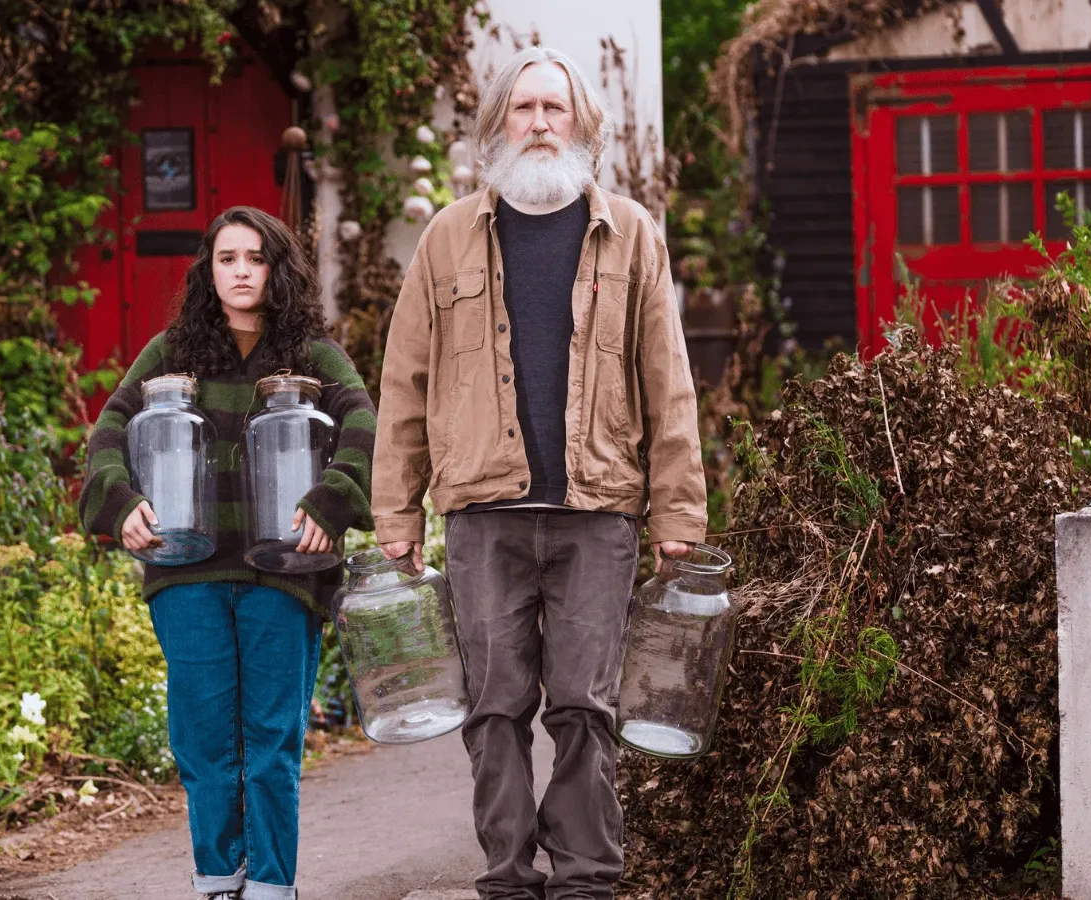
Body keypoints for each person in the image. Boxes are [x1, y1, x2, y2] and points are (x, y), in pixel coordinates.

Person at [371, 46, 707, 900]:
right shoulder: (447, 238)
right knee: (493, 706)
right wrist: (396, 513)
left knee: (587, 707)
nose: (541, 123)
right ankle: (509, 876)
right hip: (483, 512)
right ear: (497, 128)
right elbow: (404, 381)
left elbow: (668, 384)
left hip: (598, 512)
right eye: (523, 109)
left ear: (583, 126)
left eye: (556, 108)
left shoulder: (631, 233)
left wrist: (679, 514)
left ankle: (588, 878)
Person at [78, 206, 375, 900]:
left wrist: (331, 501)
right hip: (187, 571)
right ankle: (218, 879)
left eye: (255, 259)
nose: (241, 272)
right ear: (208, 271)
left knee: (271, 743)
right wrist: (120, 504)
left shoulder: (311, 353)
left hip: (286, 569)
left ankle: (272, 886)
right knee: (205, 742)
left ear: (278, 270)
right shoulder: (171, 351)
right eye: (227, 259)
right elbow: (108, 432)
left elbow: (364, 423)